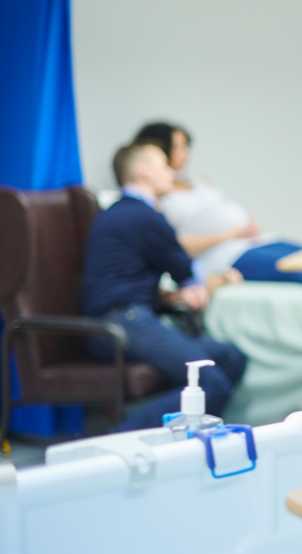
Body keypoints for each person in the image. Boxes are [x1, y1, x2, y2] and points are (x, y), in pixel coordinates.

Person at [84, 141, 248, 431]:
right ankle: (119, 441)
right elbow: (189, 274)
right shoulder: (143, 215)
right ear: (144, 171)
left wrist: (167, 298)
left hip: (127, 318)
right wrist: (220, 279)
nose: (172, 173)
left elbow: (126, 278)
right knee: (213, 384)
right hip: (121, 324)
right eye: (164, 167)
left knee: (230, 357)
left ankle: (183, 434)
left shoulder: (123, 213)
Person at [133, 122, 302, 284]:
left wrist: (247, 223)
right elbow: (173, 245)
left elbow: (222, 205)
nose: (185, 153)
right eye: (178, 147)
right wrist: (230, 234)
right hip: (221, 256)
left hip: (251, 241)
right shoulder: (156, 196)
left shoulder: (197, 179)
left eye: (186, 146)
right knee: (299, 271)